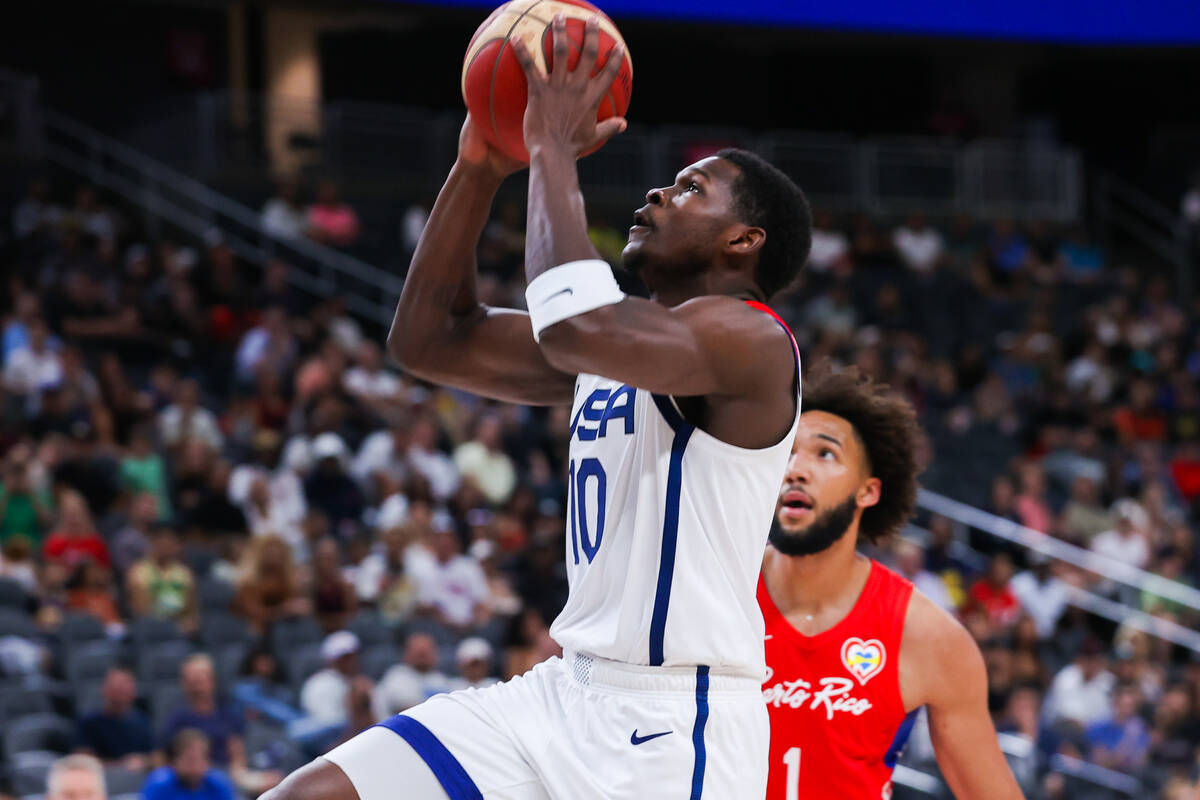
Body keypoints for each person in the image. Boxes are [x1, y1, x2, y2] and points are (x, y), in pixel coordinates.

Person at [759, 366, 1021, 799]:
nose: (796, 469)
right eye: (787, 451)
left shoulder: (929, 638)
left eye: (824, 454)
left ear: (869, 491)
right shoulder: (717, 591)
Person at [77, 666, 154, 769]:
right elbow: (83, 762)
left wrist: (143, 761)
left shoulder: (142, 722)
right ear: (105, 689)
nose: (120, 692)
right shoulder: (88, 722)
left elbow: (155, 757)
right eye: (117, 688)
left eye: (125, 687)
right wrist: (122, 765)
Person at [142, 729, 237, 800]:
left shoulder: (218, 784)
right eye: (190, 760)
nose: (196, 767)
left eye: (202, 758)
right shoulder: (160, 784)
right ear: (175, 760)